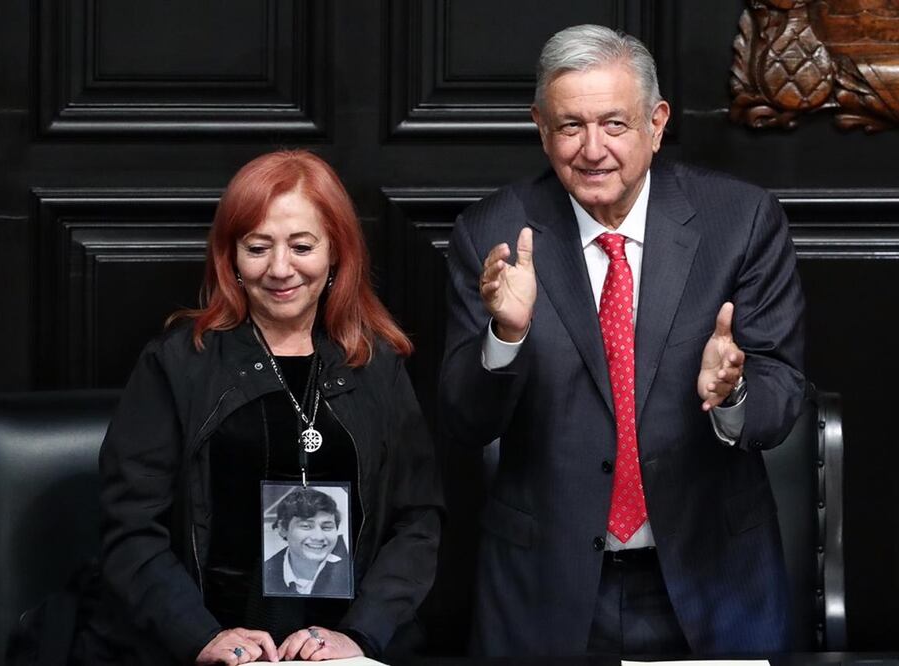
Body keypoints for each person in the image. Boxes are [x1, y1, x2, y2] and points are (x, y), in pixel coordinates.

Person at [439, 24, 805, 657]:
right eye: (570, 126)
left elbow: (781, 395)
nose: (592, 149)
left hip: (715, 579)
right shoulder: (492, 234)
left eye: (614, 124)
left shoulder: (740, 221)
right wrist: (507, 334)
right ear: (541, 128)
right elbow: (464, 422)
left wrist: (734, 391)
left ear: (656, 124)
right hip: (544, 589)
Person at [73, 150, 443, 665]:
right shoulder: (178, 363)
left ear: (336, 252)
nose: (280, 269)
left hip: (342, 648)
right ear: (231, 257)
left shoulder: (377, 364)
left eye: (302, 246)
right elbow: (130, 526)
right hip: (203, 644)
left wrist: (360, 636)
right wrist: (201, 637)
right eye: (258, 247)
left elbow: (417, 522)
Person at [263, 487, 351, 598]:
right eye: (306, 526)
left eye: (327, 527)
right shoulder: (265, 573)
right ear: (283, 529)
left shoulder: (350, 570)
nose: (318, 537)